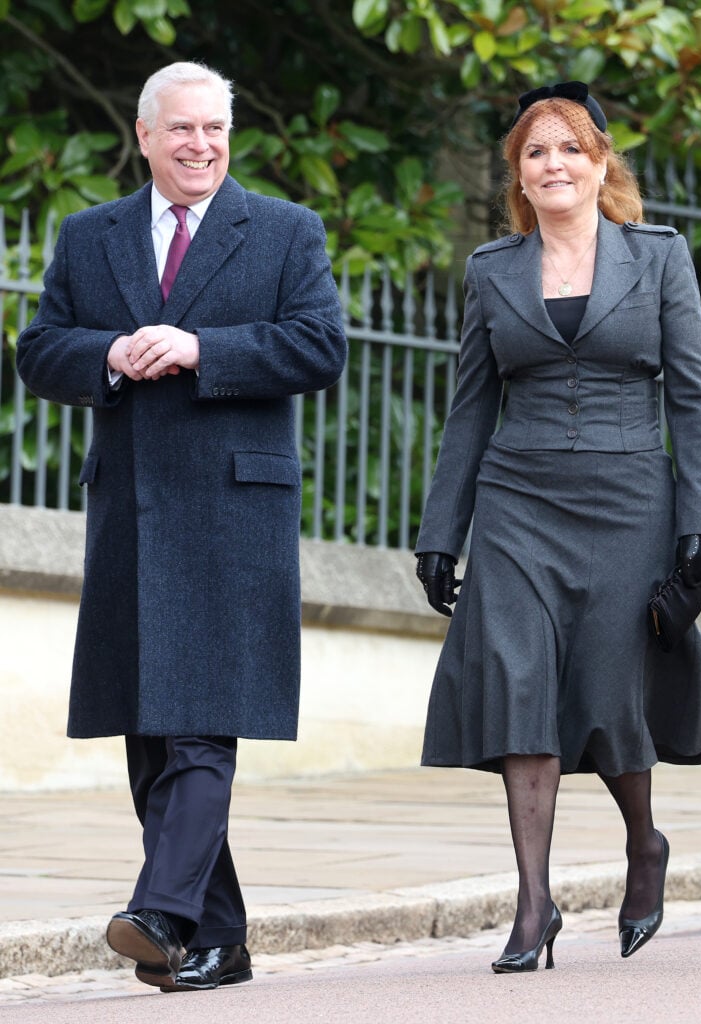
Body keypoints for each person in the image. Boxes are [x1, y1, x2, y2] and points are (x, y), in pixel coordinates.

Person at [16, 61, 347, 992]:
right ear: (145, 134)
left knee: (202, 729)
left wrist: (205, 348)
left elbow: (320, 345)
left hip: (234, 512)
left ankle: (162, 913)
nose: (201, 145)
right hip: (132, 510)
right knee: (150, 736)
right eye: (183, 130)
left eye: (215, 130)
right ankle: (221, 940)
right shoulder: (90, 237)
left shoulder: (284, 230)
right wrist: (110, 354)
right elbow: (39, 350)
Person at [415, 81, 701, 973]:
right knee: (521, 688)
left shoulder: (658, 257)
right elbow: (468, 410)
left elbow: (693, 398)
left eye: (568, 148)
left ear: (600, 163)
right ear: (517, 178)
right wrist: (440, 531)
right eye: (534, 152)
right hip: (517, 501)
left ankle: (644, 845)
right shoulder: (493, 269)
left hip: (629, 499)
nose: (552, 164)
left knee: (607, 696)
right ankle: (534, 907)